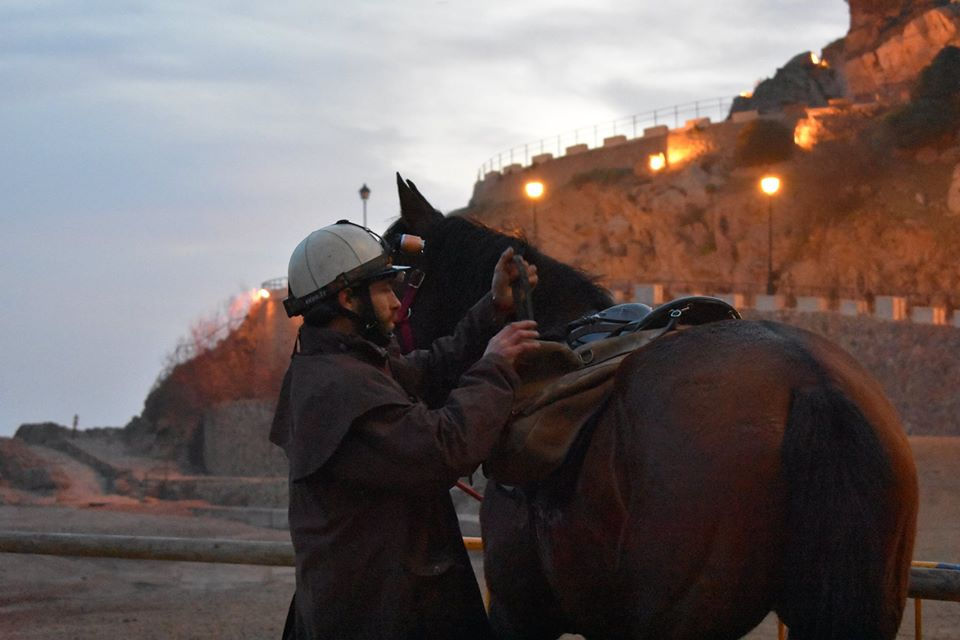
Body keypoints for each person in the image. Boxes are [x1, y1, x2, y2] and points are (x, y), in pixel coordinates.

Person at [269, 220, 539, 639]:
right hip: (379, 616)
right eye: (383, 290)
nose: (397, 303)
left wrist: (493, 308)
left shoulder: (344, 364)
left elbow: (425, 372)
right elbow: (444, 448)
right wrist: (496, 367)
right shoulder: (339, 386)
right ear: (347, 298)